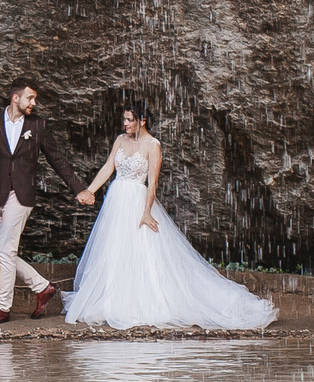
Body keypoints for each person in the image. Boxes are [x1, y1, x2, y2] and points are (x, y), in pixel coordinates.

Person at [66, 102, 276, 330]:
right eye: (124, 119)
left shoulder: (152, 145)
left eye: (130, 120)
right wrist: (90, 191)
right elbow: (108, 168)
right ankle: (111, 298)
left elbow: (152, 182)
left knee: (141, 251)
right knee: (114, 248)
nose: (125, 124)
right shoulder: (120, 140)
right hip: (117, 199)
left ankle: (141, 301)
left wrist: (146, 212)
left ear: (142, 121)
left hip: (137, 200)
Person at [0, 79, 88, 326]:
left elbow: (57, 159)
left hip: (22, 196)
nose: (34, 103)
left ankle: (2, 308)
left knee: (6, 250)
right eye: (30, 98)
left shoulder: (38, 125)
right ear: (15, 98)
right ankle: (42, 287)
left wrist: (79, 189)